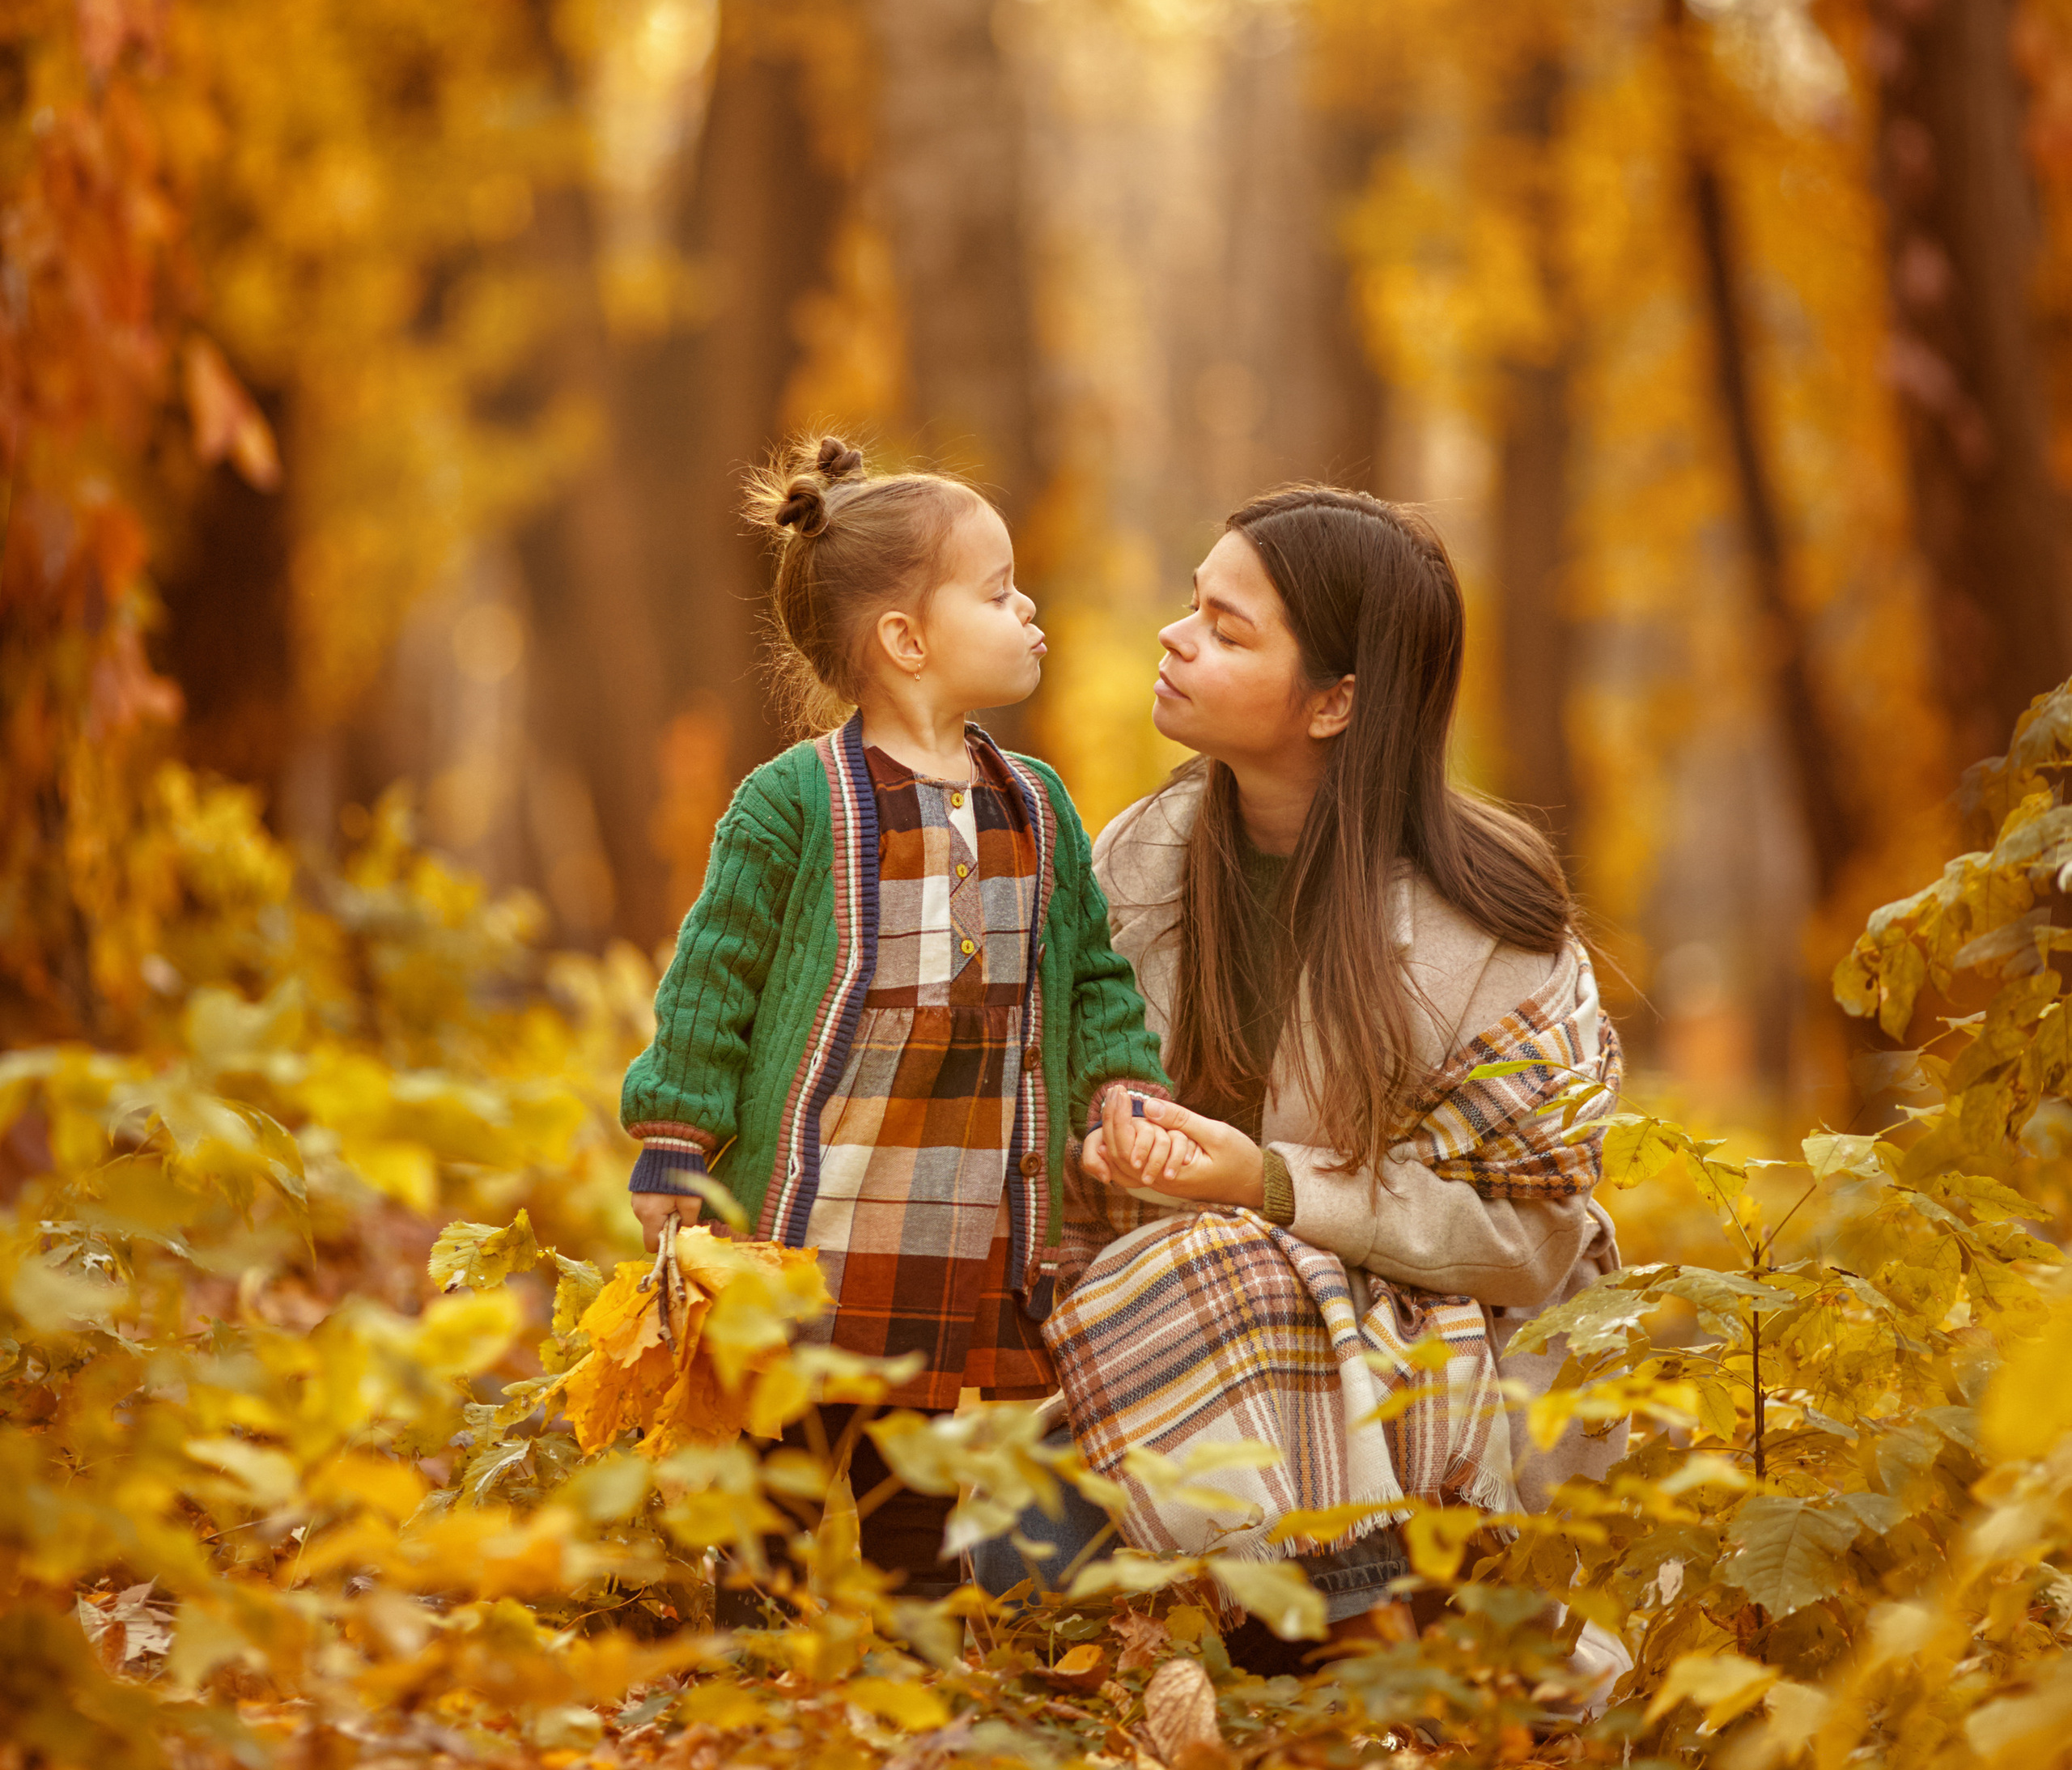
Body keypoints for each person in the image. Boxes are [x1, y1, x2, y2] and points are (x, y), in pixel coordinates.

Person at [1043, 484, 1624, 1658]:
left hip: (1431, 1382)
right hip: (1177, 1342)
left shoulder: (1489, 928)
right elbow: (1073, 1103)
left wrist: (1272, 1188)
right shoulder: (1141, 858)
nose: (1176, 635)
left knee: (1233, 1271)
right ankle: (1140, 1626)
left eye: (1227, 627)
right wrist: (1103, 1146)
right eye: (1191, 606)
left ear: (1336, 703)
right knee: (1177, 1282)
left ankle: (1362, 1639)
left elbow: (1537, 1243)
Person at [619, 435, 1182, 1598]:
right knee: (786, 1444)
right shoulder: (794, 803)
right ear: (906, 640)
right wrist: (676, 1144)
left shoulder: (1038, 805)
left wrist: (1122, 1084)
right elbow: (711, 978)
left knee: (914, 1456)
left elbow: (1090, 975)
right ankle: (754, 1634)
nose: (1031, 611)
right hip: (816, 1208)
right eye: (999, 590)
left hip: (957, 1209)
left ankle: (910, 1638)